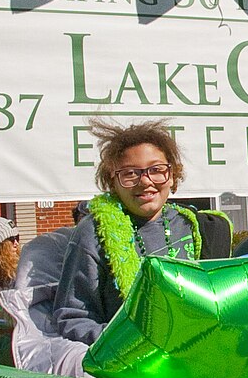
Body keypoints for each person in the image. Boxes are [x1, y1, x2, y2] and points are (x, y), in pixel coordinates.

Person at [52, 121, 212, 344]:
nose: (145, 181)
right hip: (127, 362)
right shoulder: (93, 233)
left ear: (173, 175)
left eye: (157, 170)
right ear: (113, 182)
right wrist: (132, 340)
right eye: (130, 174)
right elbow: (72, 318)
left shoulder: (192, 225)